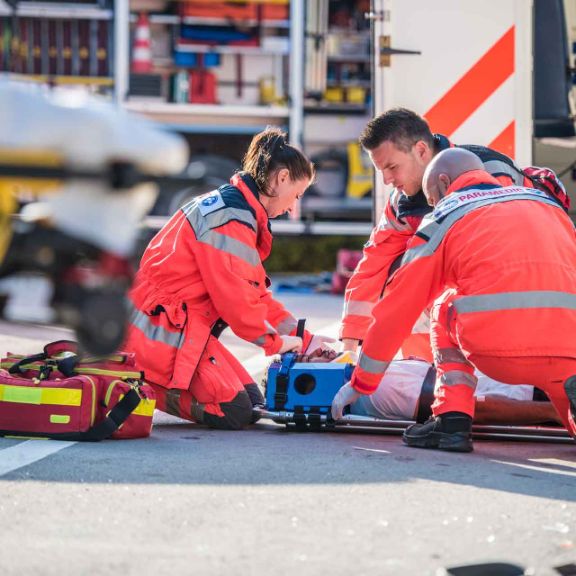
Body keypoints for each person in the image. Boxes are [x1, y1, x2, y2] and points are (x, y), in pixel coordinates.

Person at [331, 147, 576, 452]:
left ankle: (452, 421)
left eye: (432, 198)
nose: (432, 206)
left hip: (499, 351)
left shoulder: (448, 213)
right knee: (569, 407)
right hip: (568, 352)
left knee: (445, 304)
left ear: (445, 183)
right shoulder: (545, 203)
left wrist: (362, 382)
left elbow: (398, 306)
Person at [124, 127, 333, 430]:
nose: (292, 207)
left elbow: (255, 295)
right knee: (234, 411)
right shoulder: (231, 219)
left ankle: (149, 374)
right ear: (282, 178)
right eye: (297, 195)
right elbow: (238, 304)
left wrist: (305, 340)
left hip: (176, 328)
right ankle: (142, 381)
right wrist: (276, 343)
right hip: (160, 334)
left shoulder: (237, 210)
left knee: (253, 403)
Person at [339, 108, 570, 361]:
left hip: (528, 292)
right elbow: (373, 265)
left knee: (422, 285)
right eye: (381, 170)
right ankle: (423, 373)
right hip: (498, 293)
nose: (386, 180)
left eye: (392, 167)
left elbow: (502, 258)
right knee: (401, 280)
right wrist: (349, 347)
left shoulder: (491, 174)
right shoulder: (401, 202)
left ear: (421, 150)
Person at [349, 358, 560, 427]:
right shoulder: (377, 391)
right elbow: (470, 408)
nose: (323, 347)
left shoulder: (371, 373)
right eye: (314, 352)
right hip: (534, 391)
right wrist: (553, 411)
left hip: (538, 374)